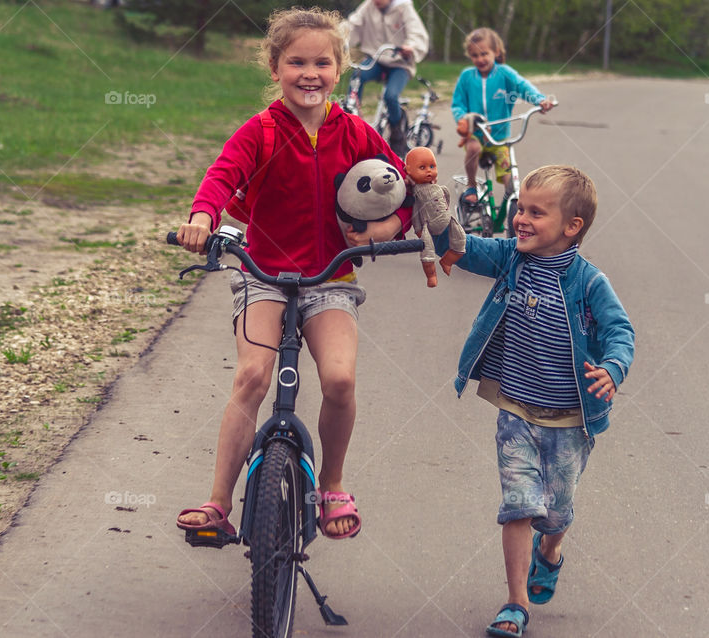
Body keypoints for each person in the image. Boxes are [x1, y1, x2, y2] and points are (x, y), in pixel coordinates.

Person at [175, 7, 412, 541]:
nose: (311, 73)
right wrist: (201, 217)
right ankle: (218, 502)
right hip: (264, 274)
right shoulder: (259, 131)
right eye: (297, 62)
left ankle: (331, 485)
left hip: (330, 278)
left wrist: (382, 232)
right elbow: (221, 176)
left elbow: (405, 192)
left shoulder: (355, 132)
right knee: (252, 376)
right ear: (276, 67)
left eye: (322, 63)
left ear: (340, 68)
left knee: (341, 378)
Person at [432, 166, 634, 637]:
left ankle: (550, 553)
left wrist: (613, 368)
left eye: (535, 212)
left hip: (570, 418)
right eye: (520, 208)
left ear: (571, 227)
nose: (520, 218)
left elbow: (620, 331)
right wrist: (437, 212)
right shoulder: (510, 259)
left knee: (556, 511)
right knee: (520, 504)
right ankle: (515, 603)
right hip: (517, 410)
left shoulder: (588, 282)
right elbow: (460, 250)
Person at [452, 27, 555, 207]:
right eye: (475, 55)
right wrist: (464, 117)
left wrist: (540, 100)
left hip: (500, 138)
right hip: (476, 133)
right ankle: (471, 185)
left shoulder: (504, 73)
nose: (480, 59)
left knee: (510, 178)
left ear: (496, 52)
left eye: (484, 53)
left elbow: (523, 86)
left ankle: (513, 205)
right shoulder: (467, 76)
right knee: (473, 148)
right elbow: (457, 104)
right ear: (470, 56)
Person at [346, 0, 429, 157]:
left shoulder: (403, 8)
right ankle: (351, 121)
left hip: (400, 63)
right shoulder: (368, 6)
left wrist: (410, 47)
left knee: (390, 96)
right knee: (357, 76)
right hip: (376, 60)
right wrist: (336, 39)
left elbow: (417, 33)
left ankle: (397, 135)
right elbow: (352, 25)